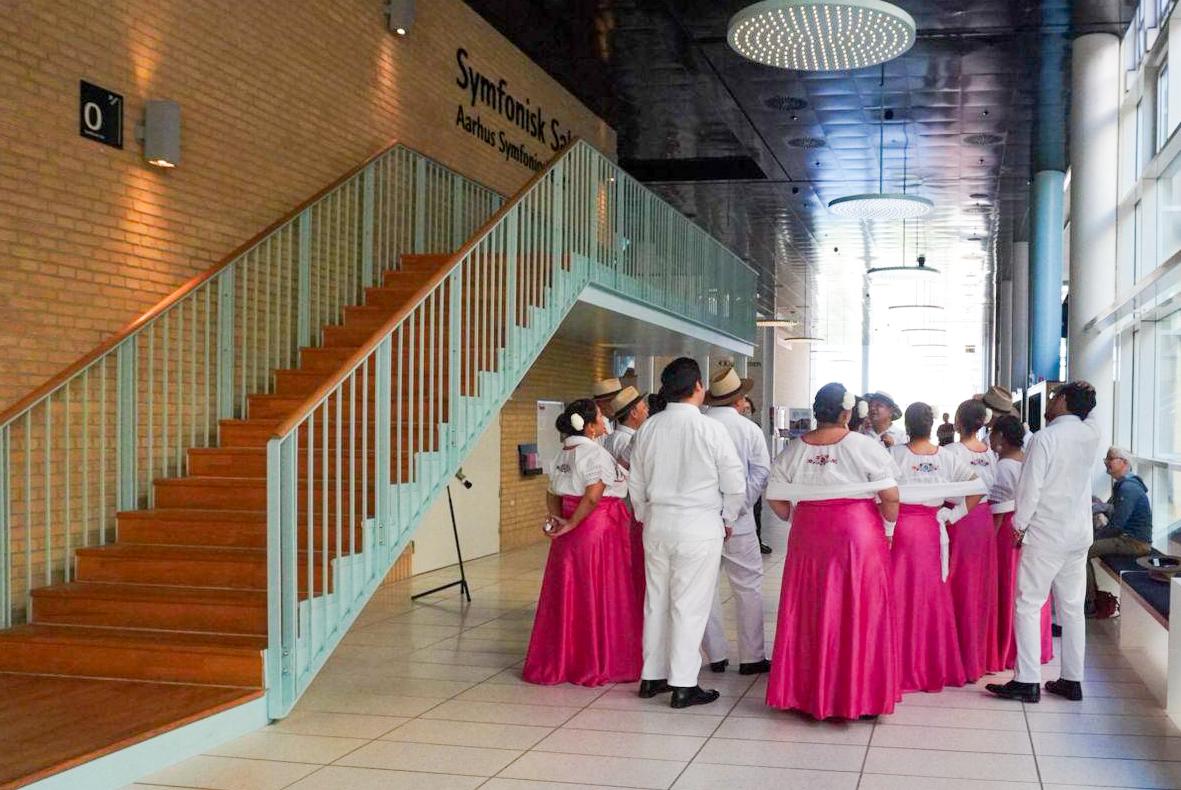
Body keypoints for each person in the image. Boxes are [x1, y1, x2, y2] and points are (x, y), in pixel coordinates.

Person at [764, 382, 901, 719]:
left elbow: (775, 497)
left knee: (810, 606)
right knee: (859, 606)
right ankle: (859, 694)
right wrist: (888, 528)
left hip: (809, 533)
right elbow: (890, 496)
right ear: (847, 412)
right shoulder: (864, 446)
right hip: (857, 532)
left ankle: (807, 692)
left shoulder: (794, 449)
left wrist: (799, 516)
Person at [628, 358, 746, 709]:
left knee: (656, 600)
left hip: (657, 523)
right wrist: (727, 518)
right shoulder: (711, 429)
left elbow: (636, 482)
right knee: (689, 605)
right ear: (698, 386)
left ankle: (652, 676)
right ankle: (683, 683)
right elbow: (734, 483)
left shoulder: (648, 428)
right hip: (698, 525)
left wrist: (645, 515)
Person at [988, 381, 1101, 704]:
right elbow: (1095, 413)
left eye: (1054, 397)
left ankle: (1027, 680)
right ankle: (1072, 679)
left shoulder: (1045, 438)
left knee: (1028, 603)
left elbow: (1030, 486)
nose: (1050, 402)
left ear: (1064, 400)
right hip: (1078, 534)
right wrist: (1087, 394)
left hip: (1046, 533)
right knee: (1072, 608)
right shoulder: (1090, 434)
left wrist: (1019, 525)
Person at [523, 399, 644, 686]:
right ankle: (597, 660)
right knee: (598, 590)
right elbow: (592, 496)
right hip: (596, 529)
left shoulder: (563, 452)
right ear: (589, 427)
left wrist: (558, 519)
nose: (605, 422)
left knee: (571, 591)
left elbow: (552, 492)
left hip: (570, 528)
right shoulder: (594, 454)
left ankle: (567, 658)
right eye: (600, 417)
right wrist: (574, 523)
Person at [890, 402, 984, 693]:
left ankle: (896, 666)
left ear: (907, 425)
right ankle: (930, 665)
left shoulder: (894, 455)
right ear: (931, 426)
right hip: (931, 530)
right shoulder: (946, 457)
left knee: (898, 594)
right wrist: (952, 515)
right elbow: (978, 487)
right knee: (930, 597)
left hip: (901, 530)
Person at [701, 370, 772, 676]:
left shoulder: (699, 426)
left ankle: (716, 654)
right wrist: (740, 505)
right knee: (748, 586)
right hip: (740, 524)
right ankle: (751, 657)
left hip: (702, 519)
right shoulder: (749, 430)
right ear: (739, 400)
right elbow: (761, 472)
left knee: (704, 588)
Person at [943, 399, 1003, 680]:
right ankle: (979, 654)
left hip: (959, 518)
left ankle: (956, 655)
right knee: (979, 586)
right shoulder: (989, 453)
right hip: (983, 520)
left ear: (958, 421)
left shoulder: (951, 451)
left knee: (956, 583)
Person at [989, 415, 1054, 668]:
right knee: (1031, 587)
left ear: (1001, 437)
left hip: (1007, 529)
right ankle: (1035, 646)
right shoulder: (1027, 460)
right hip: (1032, 528)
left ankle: (1007, 647)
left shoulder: (1003, 467)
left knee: (1008, 585)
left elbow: (997, 509)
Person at [1086, 446, 1153, 613]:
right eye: (1106, 459)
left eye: (1111, 459)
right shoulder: (1125, 485)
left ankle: (1089, 603)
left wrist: (1094, 538)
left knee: (1083, 551)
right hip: (1128, 538)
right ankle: (1090, 598)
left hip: (1134, 542)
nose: (1107, 463)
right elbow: (1114, 513)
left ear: (1124, 462)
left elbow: (1117, 525)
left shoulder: (1127, 488)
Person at [737, 395, 773, 555]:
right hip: (739, 481)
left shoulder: (754, 428)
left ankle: (757, 540)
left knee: (757, 512)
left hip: (752, 481)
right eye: (743, 409)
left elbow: (760, 463)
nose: (746, 412)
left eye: (748, 410)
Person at [602, 386, 648, 469]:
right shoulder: (627, 440)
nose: (647, 410)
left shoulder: (613, 437)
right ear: (634, 413)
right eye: (644, 408)